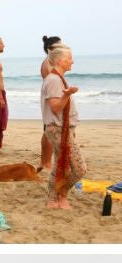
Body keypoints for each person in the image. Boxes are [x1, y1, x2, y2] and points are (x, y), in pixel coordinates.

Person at [41, 45, 86, 210]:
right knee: (80, 169)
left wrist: (67, 94)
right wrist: (67, 94)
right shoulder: (54, 80)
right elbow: (55, 107)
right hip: (58, 129)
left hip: (62, 128)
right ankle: (60, 195)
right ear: (60, 61)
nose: (72, 61)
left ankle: (55, 199)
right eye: (70, 58)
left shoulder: (57, 78)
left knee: (61, 165)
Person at [40, 36, 64, 171]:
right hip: (51, 99)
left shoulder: (50, 62)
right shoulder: (47, 63)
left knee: (47, 131)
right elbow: (52, 84)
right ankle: (46, 162)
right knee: (48, 131)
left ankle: (45, 161)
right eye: (60, 45)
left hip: (51, 97)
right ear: (51, 49)